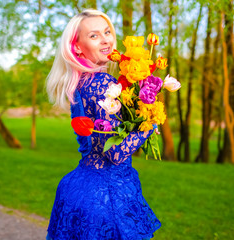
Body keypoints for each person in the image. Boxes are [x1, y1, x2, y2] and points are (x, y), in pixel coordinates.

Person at [45, 9, 161, 240]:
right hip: (106, 198)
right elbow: (115, 153)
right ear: (77, 46)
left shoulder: (79, 83)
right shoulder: (102, 84)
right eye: (94, 35)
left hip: (78, 187)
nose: (106, 39)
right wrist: (149, 124)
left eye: (107, 32)